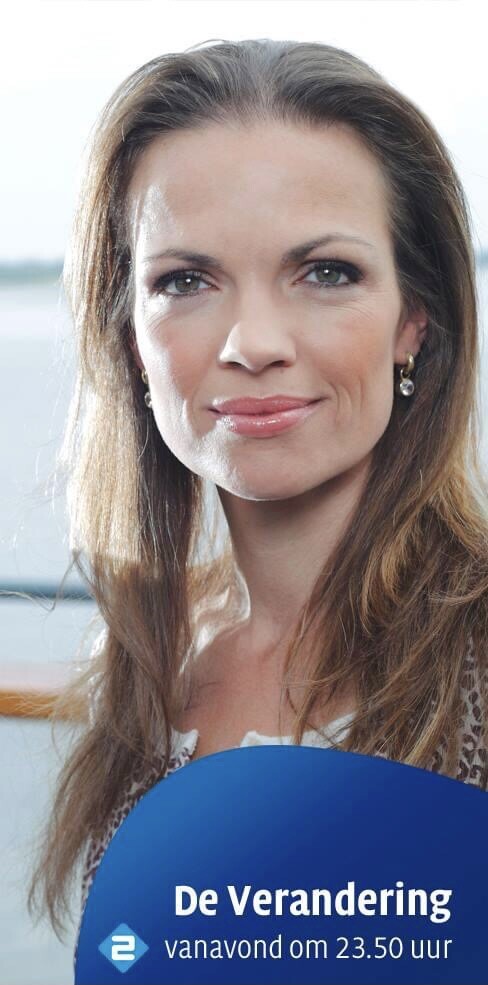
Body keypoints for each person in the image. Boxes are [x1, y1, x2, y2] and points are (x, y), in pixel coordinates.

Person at [28, 37, 488, 952]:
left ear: (414, 318)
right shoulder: (151, 654)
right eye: (186, 280)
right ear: (131, 338)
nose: (254, 342)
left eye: (326, 273)